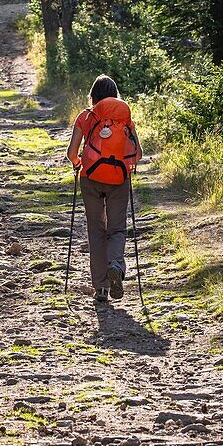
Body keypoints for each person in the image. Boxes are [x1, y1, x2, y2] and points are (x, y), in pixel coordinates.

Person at [65, 74, 143, 304]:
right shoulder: (125, 120)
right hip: (119, 178)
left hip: (90, 178)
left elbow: (71, 152)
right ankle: (116, 266)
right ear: (115, 96)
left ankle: (100, 288)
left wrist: (79, 163)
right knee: (117, 229)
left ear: (93, 96)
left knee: (96, 231)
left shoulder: (86, 117)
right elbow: (137, 154)